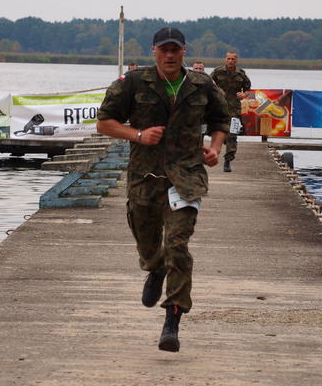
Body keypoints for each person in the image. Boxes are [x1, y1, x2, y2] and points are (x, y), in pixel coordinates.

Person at [97, 27, 230, 353]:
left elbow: (221, 120)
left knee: (177, 246)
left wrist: (215, 148)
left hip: (186, 177)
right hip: (146, 177)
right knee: (148, 245)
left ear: (184, 51)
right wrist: (138, 135)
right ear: (154, 51)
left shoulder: (201, 84)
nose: (170, 55)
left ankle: (172, 320)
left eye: (175, 50)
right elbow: (104, 123)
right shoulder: (133, 83)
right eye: (164, 50)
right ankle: (155, 269)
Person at [210, 51, 251, 172]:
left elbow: (248, 89)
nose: (230, 61)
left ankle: (228, 160)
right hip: (219, 107)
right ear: (225, 59)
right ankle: (223, 142)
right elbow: (208, 83)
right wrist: (216, 91)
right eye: (228, 59)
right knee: (218, 132)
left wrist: (244, 94)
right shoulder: (218, 71)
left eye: (233, 59)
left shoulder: (241, 74)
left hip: (234, 109)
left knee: (232, 134)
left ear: (236, 60)